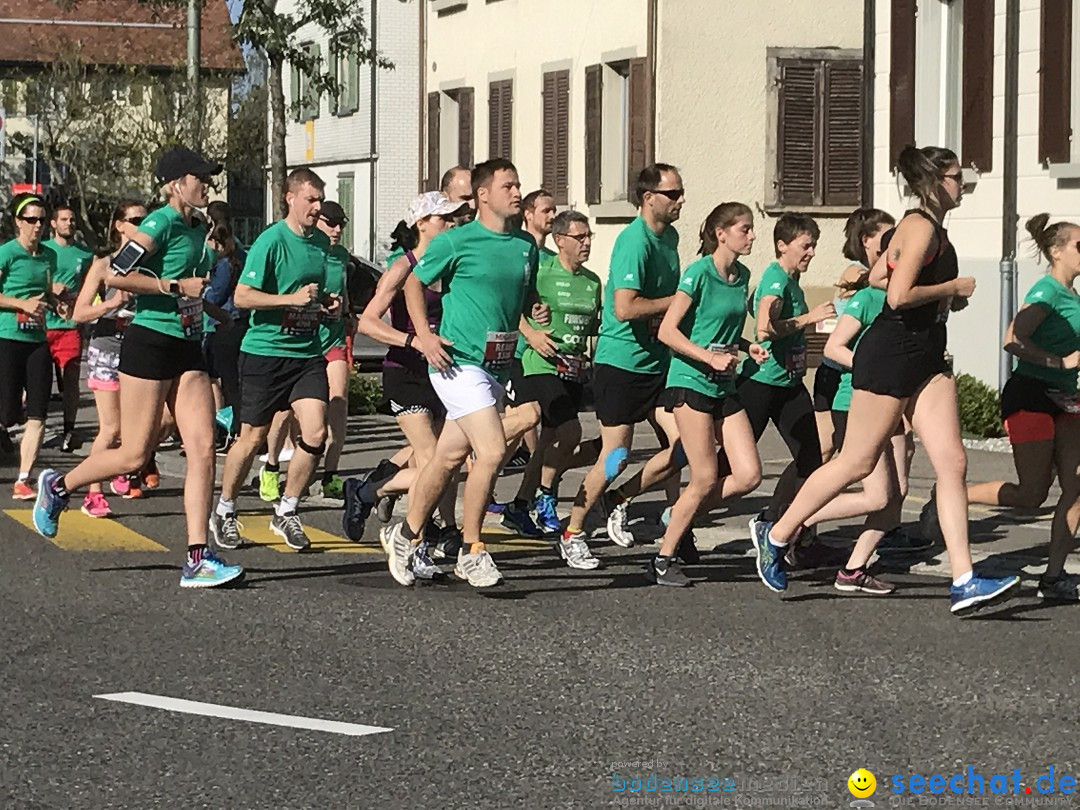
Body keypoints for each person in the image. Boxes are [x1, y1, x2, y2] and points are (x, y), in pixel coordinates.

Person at [753, 145, 1019, 616]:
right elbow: (895, 295)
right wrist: (950, 289)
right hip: (891, 355)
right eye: (958, 177)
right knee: (855, 463)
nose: (964, 185)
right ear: (937, 182)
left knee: (953, 463)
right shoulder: (918, 227)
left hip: (926, 358)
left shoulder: (920, 228)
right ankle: (775, 535)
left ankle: (964, 579)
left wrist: (939, 302)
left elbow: (876, 276)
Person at [34, 147, 244, 589]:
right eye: (199, 177)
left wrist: (216, 312)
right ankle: (58, 486)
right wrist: (171, 286)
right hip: (149, 342)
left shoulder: (199, 225)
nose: (207, 184)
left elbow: (191, 285)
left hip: (188, 345)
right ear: (175, 183)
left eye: (208, 177)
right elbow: (115, 274)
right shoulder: (159, 222)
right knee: (133, 453)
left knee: (203, 449)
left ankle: (197, 558)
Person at [383, 158, 544, 588]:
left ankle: (405, 533)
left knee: (448, 456)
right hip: (458, 363)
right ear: (483, 195)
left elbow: (522, 293)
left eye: (518, 184)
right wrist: (424, 337)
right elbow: (414, 284)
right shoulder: (457, 242)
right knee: (490, 451)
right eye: (508, 186)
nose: (516, 192)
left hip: (497, 366)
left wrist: (533, 308)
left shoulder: (526, 246)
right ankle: (472, 550)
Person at [562, 164, 687, 555]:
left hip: (658, 362)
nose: (681, 200)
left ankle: (618, 499)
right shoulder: (634, 242)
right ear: (649, 198)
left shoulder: (672, 238)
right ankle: (573, 531)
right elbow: (625, 307)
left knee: (686, 447)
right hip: (622, 364)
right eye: (673, 194)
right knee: (615, 455)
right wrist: (682, 301)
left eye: (681, 192)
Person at [211, 168, 337, 553]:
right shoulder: (271, 240)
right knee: (251, 438)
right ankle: (226, 509)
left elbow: (310, 295)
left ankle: (287, 508)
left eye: (320, 200)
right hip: (265, 352)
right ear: (290, 198)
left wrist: (326, 306)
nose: (317, 207)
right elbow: (245, 297)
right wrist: (290, 300)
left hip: (306, 354)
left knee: (315, 433)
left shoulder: (319, 243)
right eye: (311, 199)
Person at [647, 203, 766, 586]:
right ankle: (664, 559)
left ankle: (680, 514)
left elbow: (722, 330)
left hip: (724, 383)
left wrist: (747, 347)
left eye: (750, 229)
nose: (750, 236)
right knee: (704, 477)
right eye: (744, 229)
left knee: (748, 475)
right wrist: (707, 358)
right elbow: (668, 331)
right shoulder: (698, 273)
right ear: (721, 233)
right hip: (690, 382)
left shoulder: (742, 275)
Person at [966, 214, 1080, 601]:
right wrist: (1057, 362)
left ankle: (1053, 576)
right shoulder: (1046, 292)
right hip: (1031, 394)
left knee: (1076, 487)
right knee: (1032, 494)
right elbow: (1013, 339)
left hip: (1067, 400)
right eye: (1079, 246)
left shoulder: (1073, 296)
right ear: (1056, 251)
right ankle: (952, 496)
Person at [350, 191, 467, 557]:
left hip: (444, 372)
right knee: (435, 462)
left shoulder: (451, 264)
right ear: (422, 224)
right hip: (405, 372)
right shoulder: (403, 266)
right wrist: (414, 341)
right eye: (443, 219)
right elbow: (367, 322)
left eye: (454, 219)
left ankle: (438, 525)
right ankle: (385, 505)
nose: (451, 224)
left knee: (450, 457)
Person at [505, 210, 604, 566]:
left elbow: (593, 325)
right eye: (580, 237)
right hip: (540, 364)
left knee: (548, 443)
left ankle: (519, 505)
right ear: (560, 240)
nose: (587, 243)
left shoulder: (593, 282)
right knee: (570, 430)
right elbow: (512, 306)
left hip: (573, 368)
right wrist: (532, 331)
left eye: (589, 236)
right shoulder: (543, 272)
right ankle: (546, 496)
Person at [71, 200, 145, 517]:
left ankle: (121, 468)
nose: (144, 225)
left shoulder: (153, 263)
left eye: (147, 219)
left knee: (145, 425)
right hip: (107, 346)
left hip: (141, 347)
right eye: (136, 220)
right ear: (120, 225)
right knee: (111, 429)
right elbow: (79, 312)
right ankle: (93, 493)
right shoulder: (104, 265)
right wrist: (110, 303)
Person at [812, 209, 895, 463]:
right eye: (887, 235)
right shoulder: (857, 273)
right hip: (837, 373)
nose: (893, 241)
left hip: (856, 372)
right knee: (824, 451)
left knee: (832, 452)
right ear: (866, 240)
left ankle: (790, 501)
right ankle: (786, 502)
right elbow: (876, 284)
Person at [0, 194, 60, 498]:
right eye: (30, 220)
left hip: (37, 340)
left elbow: (45, 294)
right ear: (17, 222)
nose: (37, 226)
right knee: (7, 412)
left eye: (41, 220)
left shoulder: (49, 256)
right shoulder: (6, 253)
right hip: (7, 337)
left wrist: (57, 302)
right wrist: (20, 303)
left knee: (38, 412)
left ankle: (24, 478)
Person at [43, 204, 94, 453]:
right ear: (53, 224)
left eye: (72, 220)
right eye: (64, 219)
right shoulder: (43, 251)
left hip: (69, 325)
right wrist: (51, 287)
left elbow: (90, 286)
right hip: (41, 324)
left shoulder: (84, 255)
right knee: (37, 382)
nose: (69, 224)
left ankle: (68, 430)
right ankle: (28, 422)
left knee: (71, 379)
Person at [313, 200, 352, 499]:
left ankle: (330, 475)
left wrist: (346, 311)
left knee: (338, 404)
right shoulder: (306, 249)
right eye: (331, 223)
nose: (337, 230)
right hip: (306, 339)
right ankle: (273, 466)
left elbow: (345, 290)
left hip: (335, 338)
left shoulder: (341, 255)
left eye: (342, 224)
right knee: (292, 414)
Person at [203, 200, 247, 450]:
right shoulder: (241, 250)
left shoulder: (224, 259)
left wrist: (200, 293)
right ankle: (231, 429)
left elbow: (216, 293)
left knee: (223, 382)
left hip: (222, 322)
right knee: (230, 381)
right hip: (238, 320)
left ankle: (230, 431)